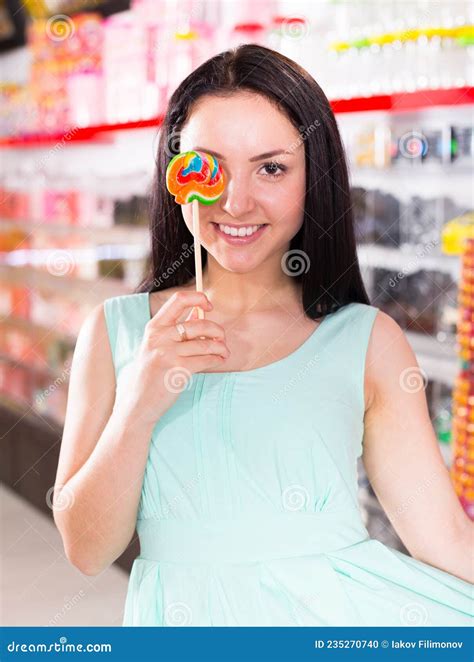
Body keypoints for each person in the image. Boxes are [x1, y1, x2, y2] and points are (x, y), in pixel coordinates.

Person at [54, 44, 473, 626]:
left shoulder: (367, 340)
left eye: (271, 167)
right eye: (210, 167)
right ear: (177, 178)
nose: (235, 201)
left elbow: (445, 538)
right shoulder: (115, 331)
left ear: (314, 177)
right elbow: (86, 550)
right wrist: (138, 404)